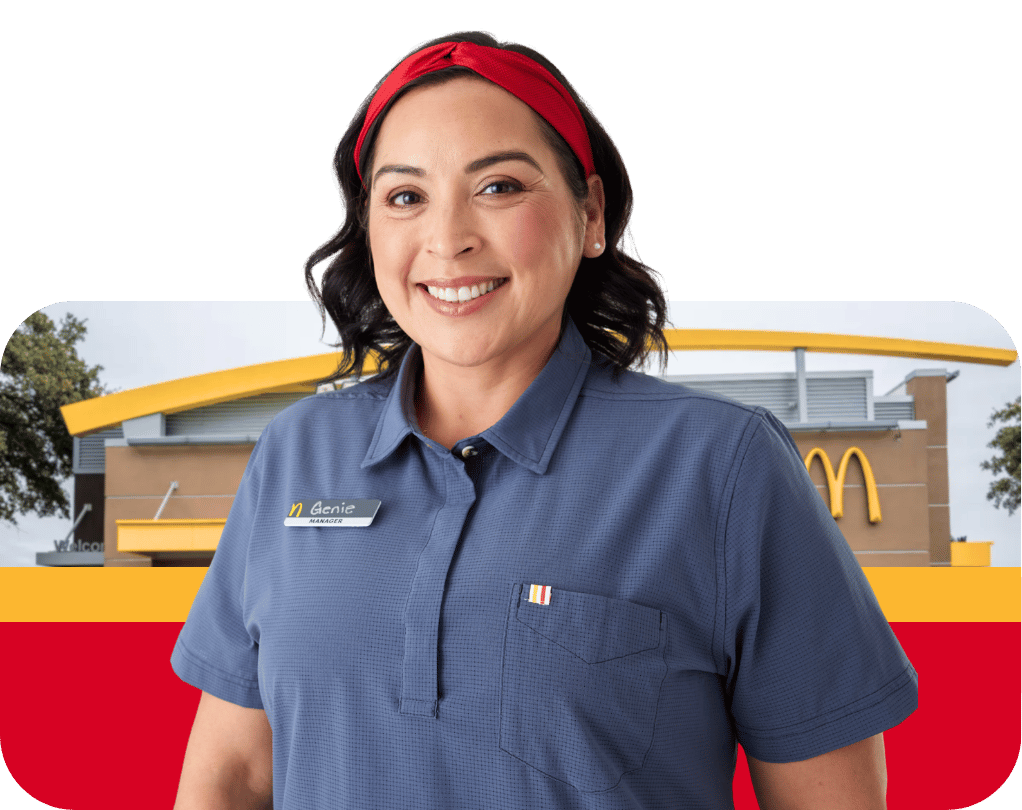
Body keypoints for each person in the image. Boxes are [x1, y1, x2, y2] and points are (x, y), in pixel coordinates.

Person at [171, 30, 917, 809]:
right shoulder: (295, 454)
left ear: (591, 215)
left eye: (498, 187)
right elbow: (234, 777)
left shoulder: (722, 467)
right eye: (405, 196)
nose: (449, 237)